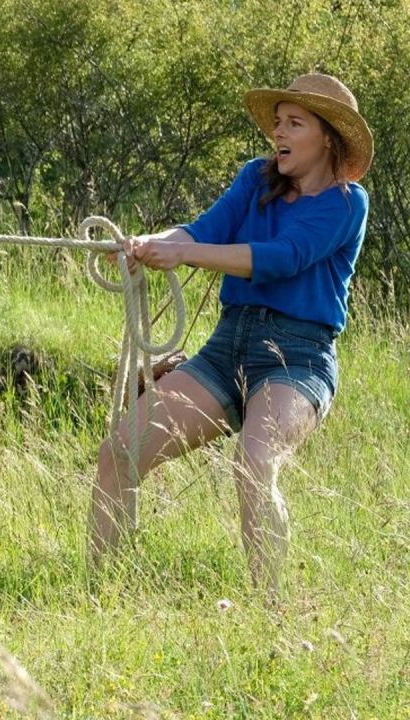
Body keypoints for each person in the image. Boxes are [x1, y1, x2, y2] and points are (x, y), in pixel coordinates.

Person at [89, 74, 373, 598]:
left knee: (255, 459)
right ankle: (100, 597)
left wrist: (183, 253)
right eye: (277, 122)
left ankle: (270, 612)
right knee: (120, 451)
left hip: (299, 359)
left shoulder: (347, 202)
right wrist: (154, 243)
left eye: (294, 123)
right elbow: (203, 230)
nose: (278, 133)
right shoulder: (254, 179)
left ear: (328, 138)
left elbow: (282, 258)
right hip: (227, 348)